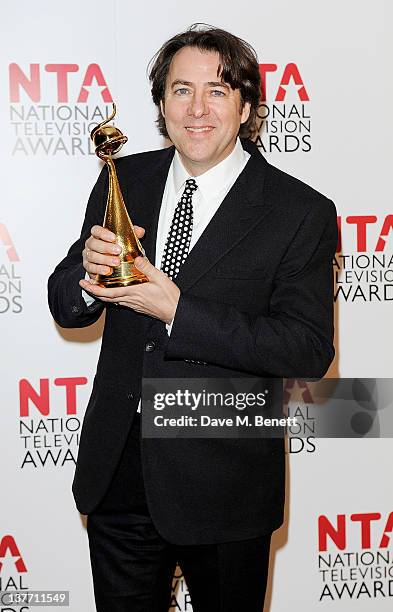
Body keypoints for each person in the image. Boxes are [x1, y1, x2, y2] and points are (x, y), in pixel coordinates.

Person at [48, 24, 337, 612]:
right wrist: (89, 272)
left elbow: (307, 348)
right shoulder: (125, 178)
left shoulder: (299, 211)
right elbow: (65, 304)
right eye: (182, 90)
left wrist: (178, 310)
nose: (198, 108)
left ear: (247, 106)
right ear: (161, 104)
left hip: (225, 484)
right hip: (120, 474)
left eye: (218, 90)